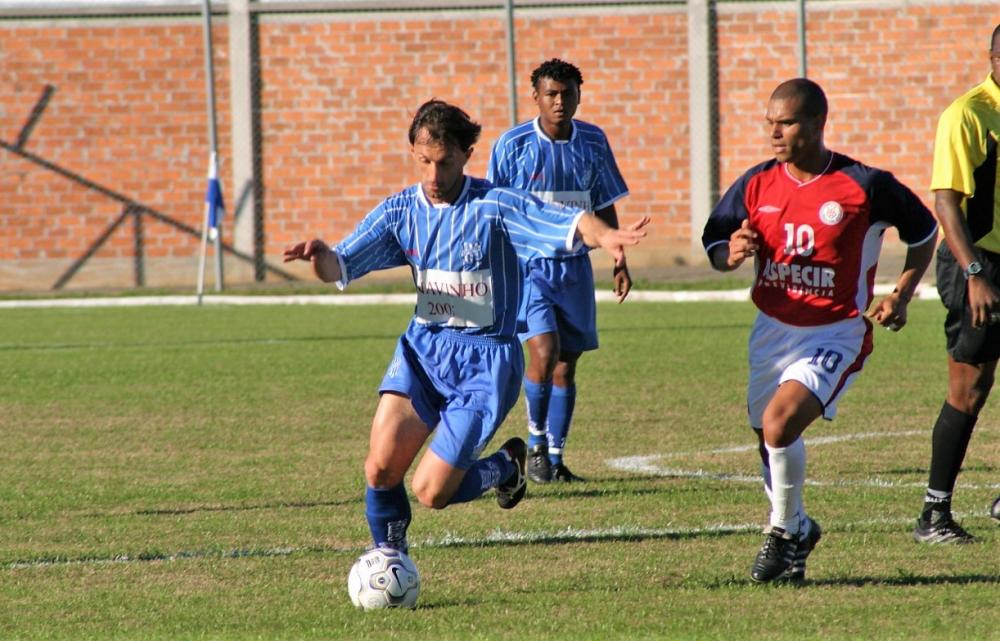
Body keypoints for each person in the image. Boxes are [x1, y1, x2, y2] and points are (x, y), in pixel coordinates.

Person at [283, 99, 648, 556]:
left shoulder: (496, 205)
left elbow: (567, 223)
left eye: (445, 162)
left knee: (432, 492)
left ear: (466, 156)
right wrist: (321, 259)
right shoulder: (401, 212)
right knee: (379, 469)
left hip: (486, 365)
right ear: (413, 154)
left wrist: (607, 235)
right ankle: (390, 560)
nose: (434, 177)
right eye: (424, 162)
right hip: (423, 352)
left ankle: (505, 468)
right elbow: (342, 263)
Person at [701, 78, 938, 583]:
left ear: (816, 123)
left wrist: (901, 293)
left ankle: (783, 532)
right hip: (771, 330)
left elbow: (924, 232)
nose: (774, 133)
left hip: (835, 332)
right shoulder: (756, 182)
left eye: (785, 122)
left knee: (780, 423)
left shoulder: (864, 184)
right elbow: (717, 243)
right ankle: (800, 528)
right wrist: (731, 253)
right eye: (769, 123)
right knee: (765, 436)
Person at [487, 59, 631, 483]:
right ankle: (533, 446)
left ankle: (554, 455)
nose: (559, 101)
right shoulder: (512, 145)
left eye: (567, 93)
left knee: (566, 365)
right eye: (551, 93)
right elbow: (496, 210)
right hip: (529, 268)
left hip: (575, 269)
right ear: (536, 97)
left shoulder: (592, 140)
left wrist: (619, 256)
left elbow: (603, 201)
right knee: (543, 351)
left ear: (579, 96)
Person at [912, 24, 1000, 544]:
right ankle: (934, 513)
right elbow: (945, 201)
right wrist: (975, 274)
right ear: (993, 56)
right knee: (970, 388)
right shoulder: (967, 114)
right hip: (977, 261)